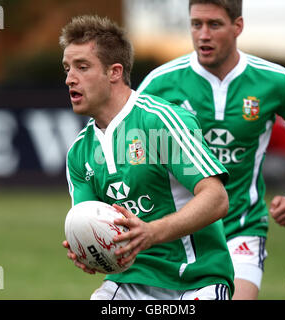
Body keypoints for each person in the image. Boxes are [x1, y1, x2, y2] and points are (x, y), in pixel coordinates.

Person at [137, 0, 285, 300]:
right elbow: (127, 148)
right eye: (196, 24)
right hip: (177, 233)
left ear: (238, 27)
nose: (203, 34)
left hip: (242, 228)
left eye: (214, 24)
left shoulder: (273, 81)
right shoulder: (161, 83)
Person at [60, 14, 235, 300]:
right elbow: (88, 219)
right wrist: (85, 246)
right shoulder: (79, 153)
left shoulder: (161, 121)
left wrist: (151, 232)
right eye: (67, 69)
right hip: (129, 282)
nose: (70, 79)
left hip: (195, 280)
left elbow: (216, 199)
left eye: (82, 67)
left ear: (114, 72)